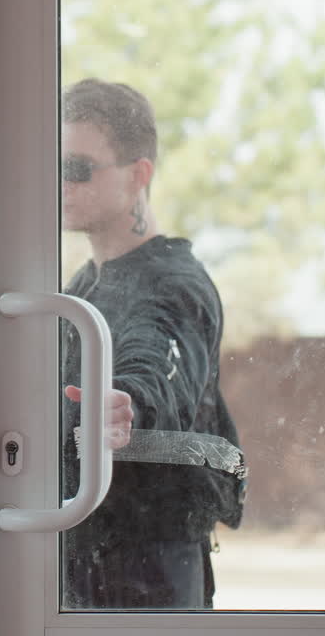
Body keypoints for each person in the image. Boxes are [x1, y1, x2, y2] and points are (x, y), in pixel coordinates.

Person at [58, 78, 243, 609]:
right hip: (87, 557)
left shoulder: (174, 284)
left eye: (77, 168)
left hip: (150, 572)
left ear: (139, 175)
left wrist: (127, 402)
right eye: (54, 167)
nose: (61, 183)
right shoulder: (85, 282)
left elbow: (156, 364)